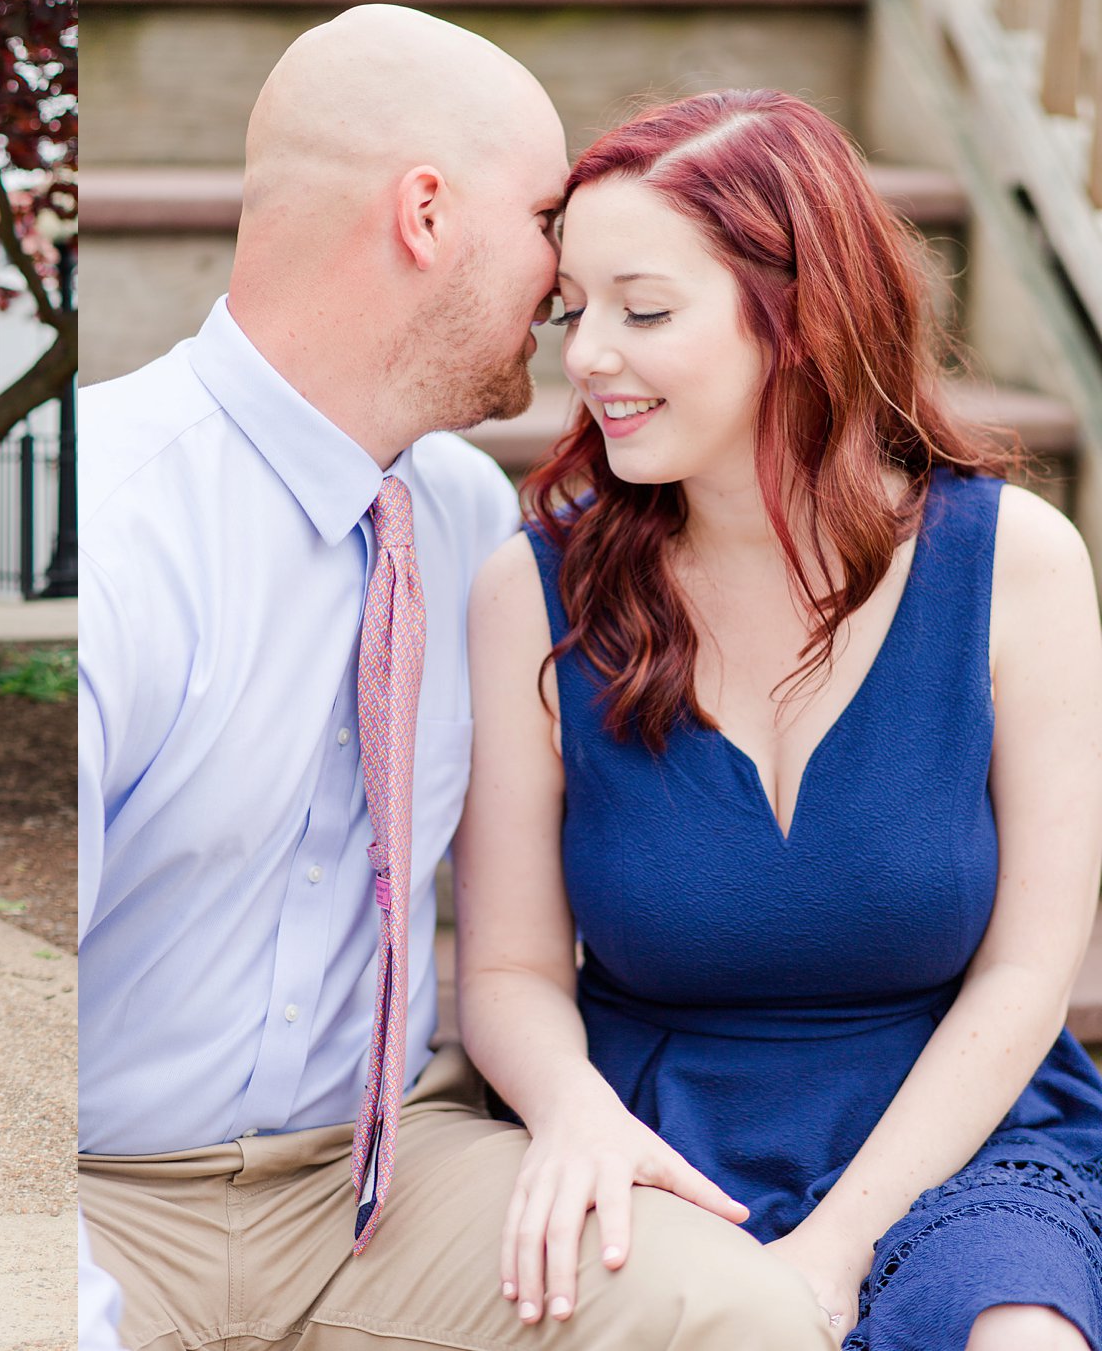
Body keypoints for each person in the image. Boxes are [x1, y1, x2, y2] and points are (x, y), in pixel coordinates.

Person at [77, 8, 833, 1350]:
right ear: (425, 212)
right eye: (547, 218)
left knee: (745, 1316)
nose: (568, 282)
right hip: (91, 1201)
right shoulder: (120, 525)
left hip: (383, 1185)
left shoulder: (467, 521)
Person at [456, 88, 1102, 1349]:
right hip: (653, 1136)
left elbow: (1030, 968)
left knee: (1015, 1332)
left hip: (956, 1131)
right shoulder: (527, 589)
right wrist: (579, 1119)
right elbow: (506, 971)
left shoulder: (1014, 564)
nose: (585, 355)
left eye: (640, 309)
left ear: (800, 316)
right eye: (569, 308)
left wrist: (839, 1242)